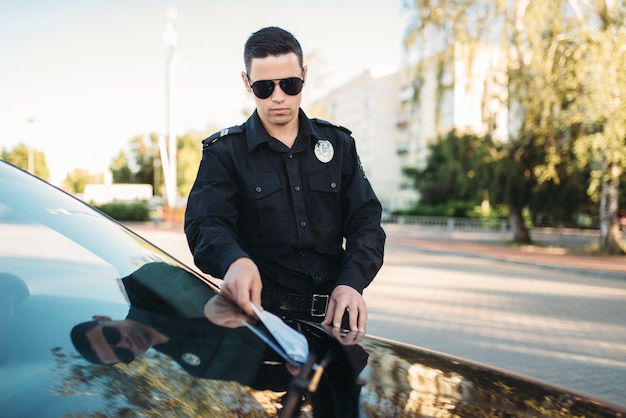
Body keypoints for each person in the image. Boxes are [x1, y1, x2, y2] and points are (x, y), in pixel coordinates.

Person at [184, 26, 386, 333]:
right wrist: (233, 260)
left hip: (334, 320)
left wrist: (352, 282)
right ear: (246, 82)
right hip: (257, 321)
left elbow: (366, 222)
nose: (278, 97)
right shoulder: (224, 152)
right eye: (265, 87)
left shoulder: (339, 144)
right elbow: (205, 223)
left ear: (304, 75)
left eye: (290, 84)